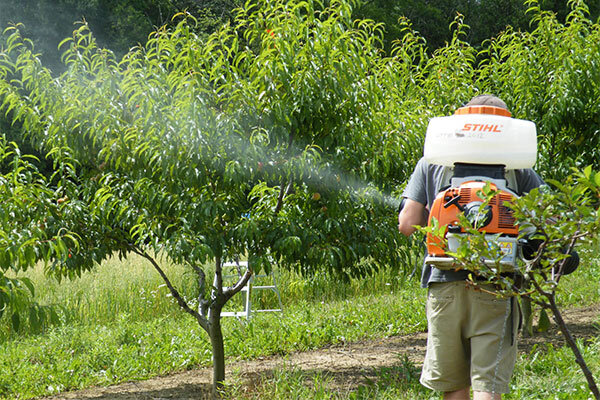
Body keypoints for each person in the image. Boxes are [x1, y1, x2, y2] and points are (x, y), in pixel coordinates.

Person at [398, 95, 545, 400]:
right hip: (496, 285)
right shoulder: (518, 168)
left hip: (445, 284)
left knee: (454, 387)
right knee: (486, 386)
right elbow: (549, 223)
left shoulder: (432, 162)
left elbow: (407, 225)